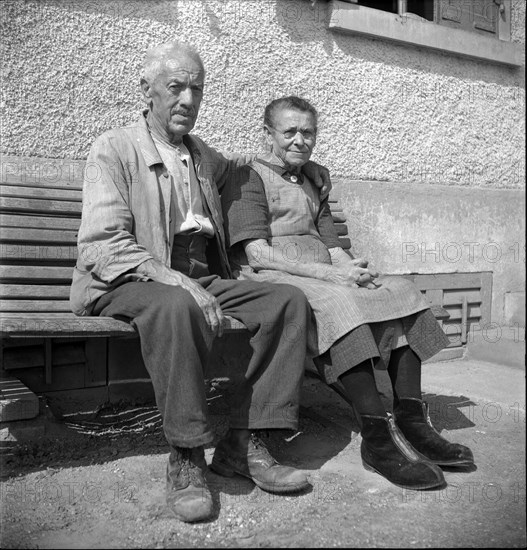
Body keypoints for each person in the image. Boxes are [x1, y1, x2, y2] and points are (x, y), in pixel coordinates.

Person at [70, 46, 331, 523]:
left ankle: (245, 443)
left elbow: (248, 164)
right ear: (145, 92)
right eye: (176, 88)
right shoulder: (114, 148)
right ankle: (187, 457)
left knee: (286, 302)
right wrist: (174, 280)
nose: (188, 99)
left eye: (197, 89)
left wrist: (301, 170)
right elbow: (103, 243)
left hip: (197, 273)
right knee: (176, 305)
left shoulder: (200, 154)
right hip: (130, 275)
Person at [222, 96, 475, 491]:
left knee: (400, 291)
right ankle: (377, 439)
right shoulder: (247, 177)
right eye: (289, 131)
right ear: (267, 134)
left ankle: (410, 420)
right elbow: (255, 252)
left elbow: (333, 244)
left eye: (308, 132)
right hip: (271, 276)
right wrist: (330, 275)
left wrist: (352, 269)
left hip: (321, 271)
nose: (299, 141)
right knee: (340, 303)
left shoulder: (311, 179)